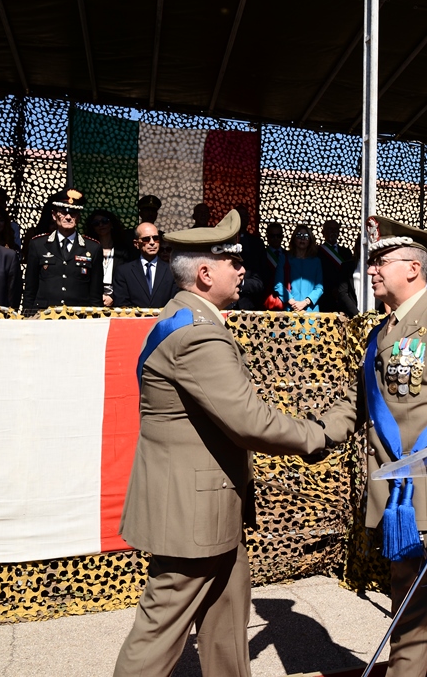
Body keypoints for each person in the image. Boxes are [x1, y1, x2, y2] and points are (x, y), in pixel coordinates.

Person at [112, 209, 327, 677]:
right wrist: (318, 434)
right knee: (160, 631)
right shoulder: (197, 334)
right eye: (233, 260)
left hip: (209, 505)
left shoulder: (182, 317)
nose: (243, 267)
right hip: (195, 512)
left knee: (226, 623)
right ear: (206, 272)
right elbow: (249, 420)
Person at [319, 214, 427, 677]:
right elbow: (358, 407)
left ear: (413, 268)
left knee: (410, 610)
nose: (371, 270)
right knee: (425, 592)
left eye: (380, 261)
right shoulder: (383, 332)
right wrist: (307, 434)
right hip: (396, 494)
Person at [22, 189, 104, 311]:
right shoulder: (38, 244)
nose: (68, 217)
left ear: (79, 217)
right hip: (45, 316)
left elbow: (95, 293)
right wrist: (27, 317)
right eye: (63, 213)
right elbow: (30, 288)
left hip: (78, 317)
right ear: (54, 215)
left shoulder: (93, 247)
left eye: (73, 213)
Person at [111, 222, 177, 309]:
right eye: (146, 239)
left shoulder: (172, 270)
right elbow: (122, 303)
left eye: (156, 238)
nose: (152, 242)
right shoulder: (124, 272)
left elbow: (175, 301)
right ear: (136, 243)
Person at [84, 210, 134, 307]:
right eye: (96, 223)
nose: (101, 225)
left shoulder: (123, 250)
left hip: (118, 299)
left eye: (105, 221)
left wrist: (112, 296)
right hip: (93, 299)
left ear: (112, 224)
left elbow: (128, 277)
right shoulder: (89, 249)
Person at [273, 224, 323, 312]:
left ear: (310, 240)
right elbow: (278, 284)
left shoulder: (316, 261)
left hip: (310, 310)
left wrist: (305, 302)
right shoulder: (284, 258)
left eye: (306, 236)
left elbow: (319, 287)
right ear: (294, 239)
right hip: (290, 308)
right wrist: (292, 302)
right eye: (299, 235)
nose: (302, 238)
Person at [230, 207, 266, 311]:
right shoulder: (221, 242)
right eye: (239, 216)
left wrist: (241, 283)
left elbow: (261, 277)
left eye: (245, 216)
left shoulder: (257, 244)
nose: (242, 219)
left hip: (249, 304)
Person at [317, 220, 353, 312]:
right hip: (324, 297)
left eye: (335, 229)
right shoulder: (317, 252)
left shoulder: (346, 252)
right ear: (323, 232)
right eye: (330, 229)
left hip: (344, 297)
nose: (333, 232)